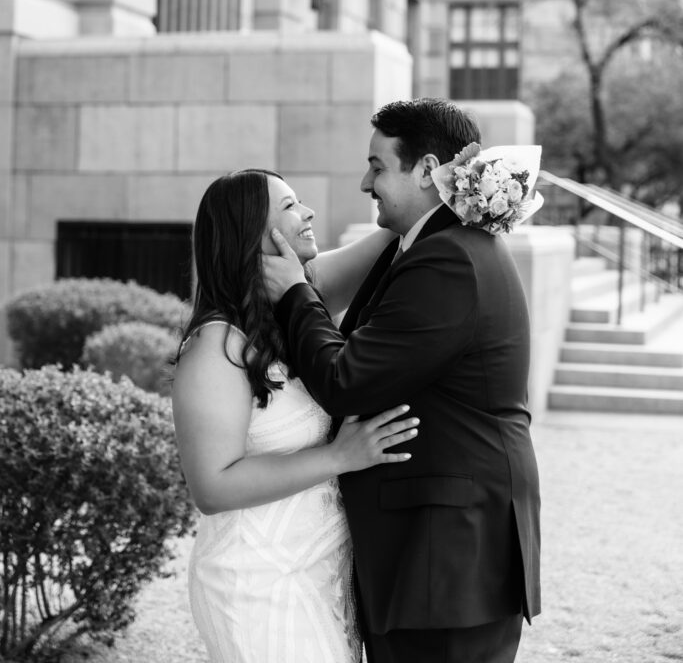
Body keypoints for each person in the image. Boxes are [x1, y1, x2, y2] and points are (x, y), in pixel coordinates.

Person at [263, 98, 542, 663]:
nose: (366, 182)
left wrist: (294, 293)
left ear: (425, 169)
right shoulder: (431, 244)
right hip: (438, 555)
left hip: (445, 561)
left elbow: (347, 380)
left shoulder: (447, 260)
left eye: (377, 166)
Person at [171, 169, 419, 663]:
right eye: (289, 207)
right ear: (251, 235)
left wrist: (473, 185)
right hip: (256, 578)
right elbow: (212, 488)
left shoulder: (301, 298)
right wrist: (340, 457)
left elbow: (402, 227)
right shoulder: (215, 345)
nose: (307, 213)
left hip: (321, 570)